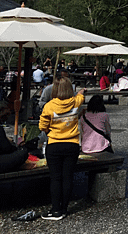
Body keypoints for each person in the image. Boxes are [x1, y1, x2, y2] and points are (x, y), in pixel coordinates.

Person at [38, 77, 85, 220]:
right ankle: (64, 209)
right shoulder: (76, 102)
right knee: (68, 177)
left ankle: (55, 209)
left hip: (55, 144)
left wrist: (50, 131)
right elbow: (81, 95)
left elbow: (42, 127)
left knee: (55, 178)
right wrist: (82, 92)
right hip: (72, 144)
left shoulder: (49, 106)